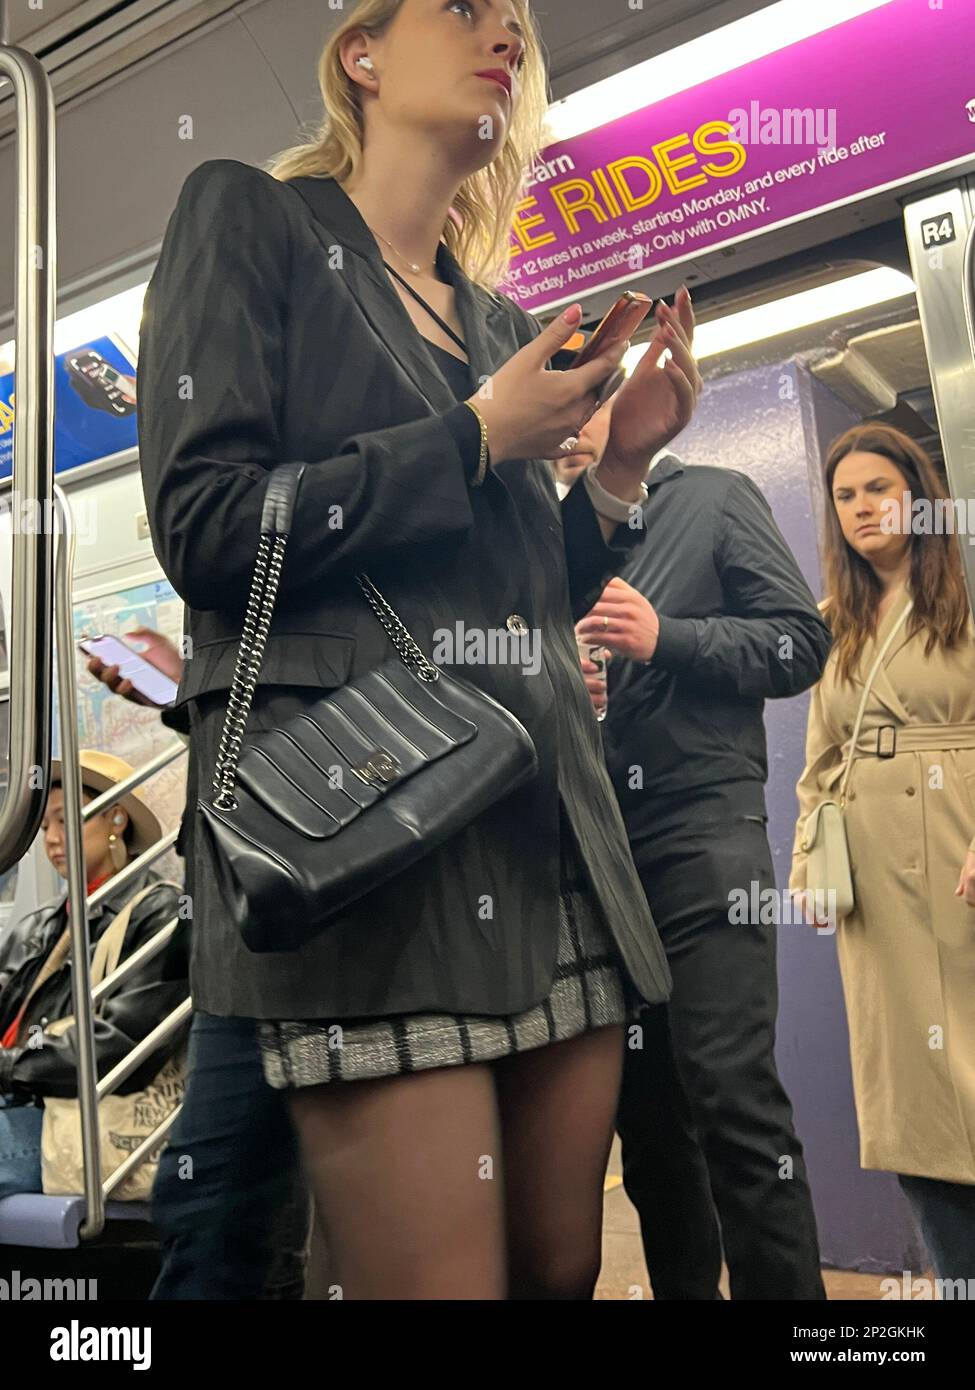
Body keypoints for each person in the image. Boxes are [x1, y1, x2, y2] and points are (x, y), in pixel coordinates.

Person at [136, 0, 704, 1300]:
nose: (503, 27)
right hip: (376, 838)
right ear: (361, 52)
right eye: (461, 5)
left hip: (546, 832)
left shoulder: (503, 329)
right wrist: (471, 437)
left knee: (558, 1267)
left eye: (516, 18)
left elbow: (523, 601)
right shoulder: (251, 222)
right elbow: (207, 523)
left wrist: (614, 477)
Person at [561, 405, 831, 1299]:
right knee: (646, 1124)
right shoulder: (545, 539)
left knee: (730, 1096)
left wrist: (665, 639)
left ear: (622, 410)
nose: (564, 418)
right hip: (591, 858)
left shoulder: (713, 498)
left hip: (701, 834)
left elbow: (800, 642)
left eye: (583, 397)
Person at [790, 423, 975, 1283]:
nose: (863, 507)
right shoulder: (837, 621)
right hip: (877, 887)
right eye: (845, 495)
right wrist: (808, 866)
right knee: (909, 1098)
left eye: (878, 487)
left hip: (960, 848)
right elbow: (819, 758)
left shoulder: (966, 594)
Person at [84, 634, 310, 1300]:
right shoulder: (56, 925)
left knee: (219, 1209)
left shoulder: (145, 910)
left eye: (73, 821)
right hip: (241, 910)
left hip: (301, 894)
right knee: (216, 1212)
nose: (55, 840)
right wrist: (191, 694)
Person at [0, 752, 186, 1199]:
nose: (53, 839)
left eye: (66, 821)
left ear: (116, 818)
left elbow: (125, 1044)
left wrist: (12, 1066)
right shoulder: (41, 927)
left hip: (68, 1121)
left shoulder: (159, 914)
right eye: (45, 827)